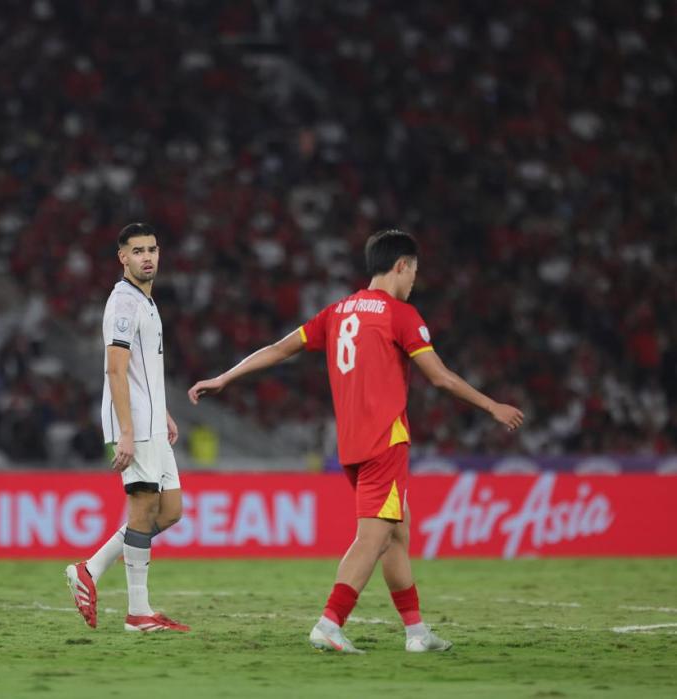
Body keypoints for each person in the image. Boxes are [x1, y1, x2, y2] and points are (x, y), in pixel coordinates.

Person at [188, 230, 523, 653]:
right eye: (414, 272)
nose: (414, 281)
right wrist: (491, 405)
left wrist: (225, 377)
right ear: (401, 265)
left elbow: (278, 349)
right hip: (386, 440)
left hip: (351, 445)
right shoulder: (400, 315)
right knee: (374, 536)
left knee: (396, 532)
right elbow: (439, 377)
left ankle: (416, 632)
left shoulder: (337, 312)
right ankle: (330, 622)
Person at [65, 223, 189, 632]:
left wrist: (164, 411)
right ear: (123, 258)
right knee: (142, 510)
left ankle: (90, 568)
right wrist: (127, 432)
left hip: (152, 420)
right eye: (138, 251)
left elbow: (145, 369)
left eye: (152, 249)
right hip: (132, 423)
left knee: (170, 511)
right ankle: (138, 612)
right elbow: (115, 370)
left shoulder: (146, 302)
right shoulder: (123, 303)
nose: (147, 257)